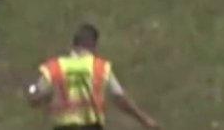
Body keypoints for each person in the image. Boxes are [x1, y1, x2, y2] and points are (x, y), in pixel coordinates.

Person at [25, 24, 159, 129]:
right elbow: (120, 98)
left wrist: (36, 93)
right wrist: (143, 119)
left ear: (73, 44)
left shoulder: (55, 67)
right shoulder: (99, 67)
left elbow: (35, 98)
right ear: (93, 44)